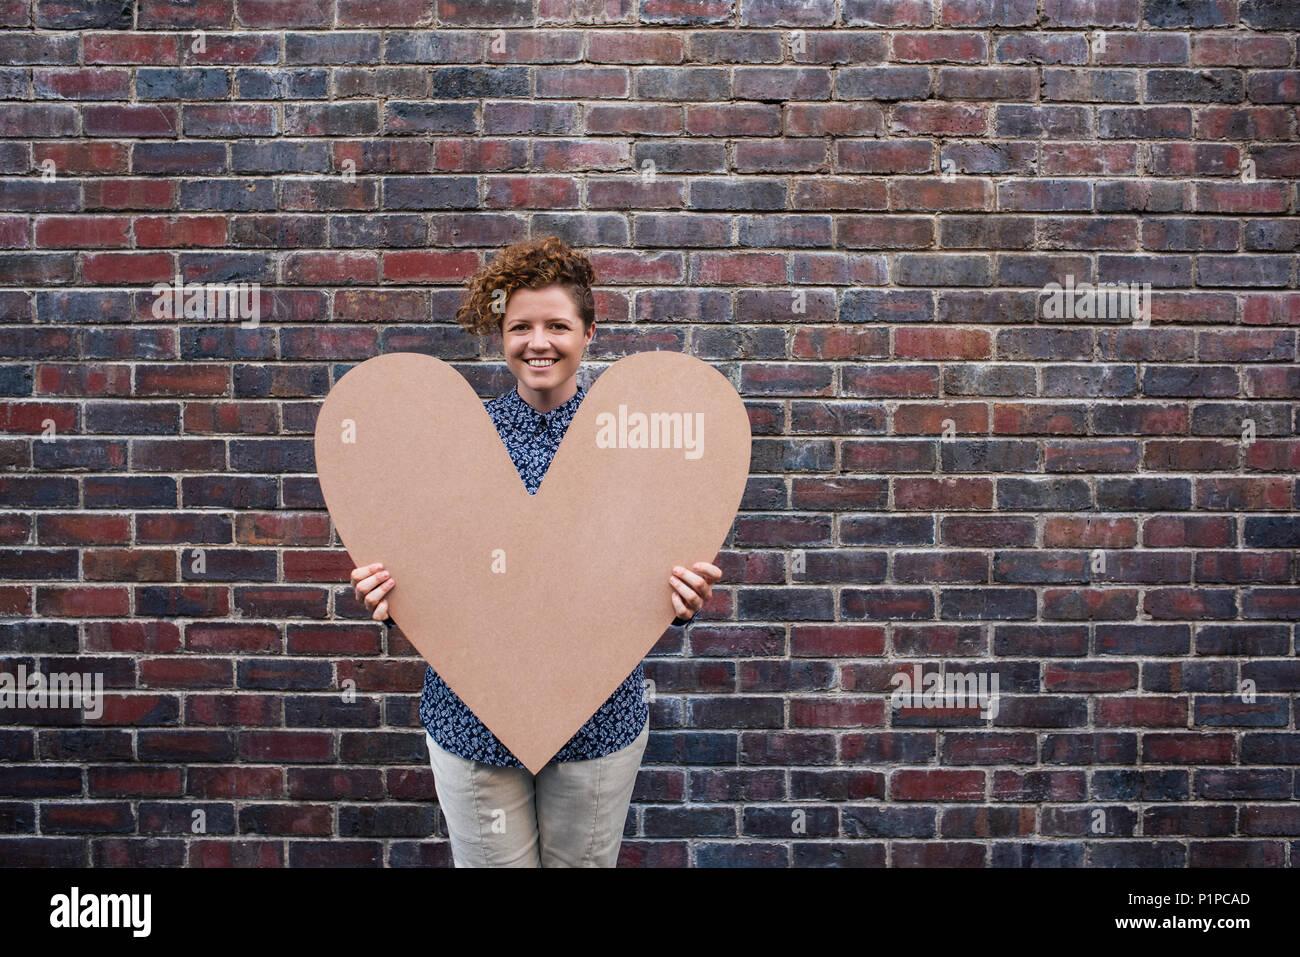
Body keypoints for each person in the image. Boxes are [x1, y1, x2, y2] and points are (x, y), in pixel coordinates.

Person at [348, 235, 722, 867]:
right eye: (520, 326)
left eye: (557, 325)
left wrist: (678, 600)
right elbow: (430, 555)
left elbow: (647, 558)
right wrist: (391, 593)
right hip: (472, 725)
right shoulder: (457, 440)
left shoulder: (631, 442)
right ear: (501, 335)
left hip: (598, 725)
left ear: (589, 332)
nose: (538, 341)